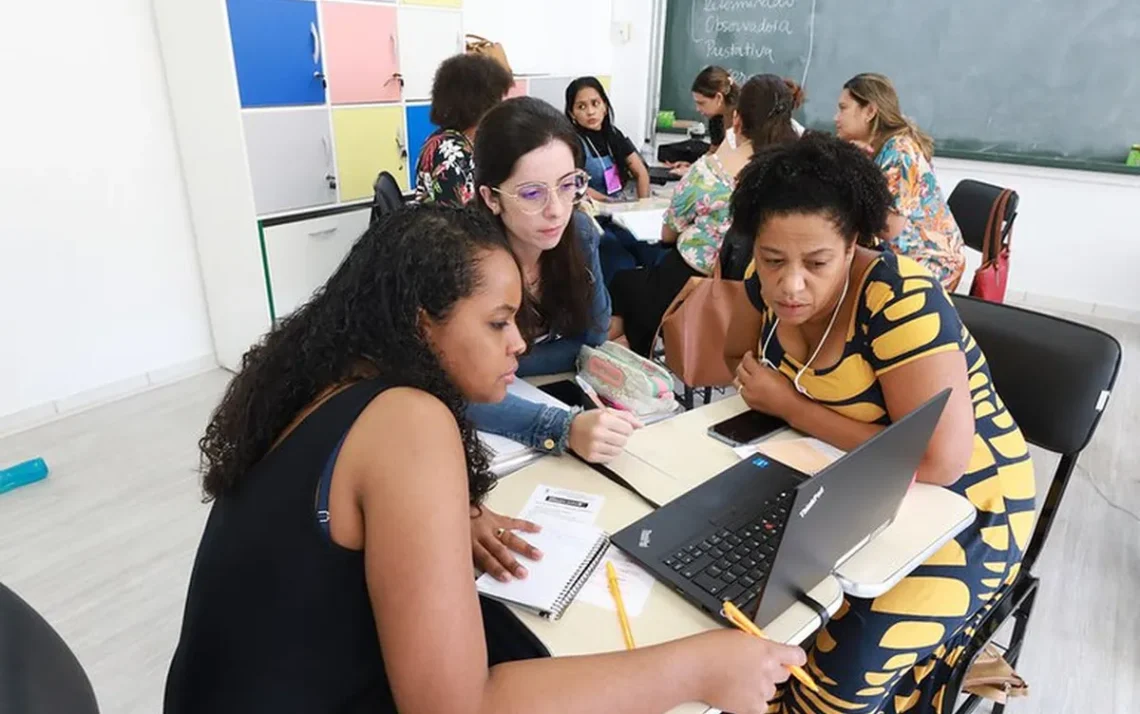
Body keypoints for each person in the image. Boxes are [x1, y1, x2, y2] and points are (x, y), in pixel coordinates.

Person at [164, 204, 806, 714]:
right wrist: (700, 668)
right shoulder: (409, 421)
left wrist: (437, 522)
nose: (519, 344)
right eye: (498, 323)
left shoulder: (323, 380)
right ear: (422, 327)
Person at [723, 133, 1035, 713]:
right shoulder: (764, 283)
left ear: (852, 247)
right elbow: (734, 357)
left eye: (816, 263)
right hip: (844, 477)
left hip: (968, 505)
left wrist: (791, 406)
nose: (790, 285)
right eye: (772, 260)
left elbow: (939, 461)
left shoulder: (899, 296)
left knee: (844, 667)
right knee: (743, 610)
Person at [467, 96, 642, 467]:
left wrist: (507, 365)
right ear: (491, 198)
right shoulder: (466, 260)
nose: (556, 210)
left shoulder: (577, 231)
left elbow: (594, 334)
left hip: (540, 394)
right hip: (491, 442)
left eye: (568, 185)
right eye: (532, 193)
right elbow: (453, 386)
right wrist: (561, 426)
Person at [609, 75, 804, 357]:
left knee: (624, 283)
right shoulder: (793, 174)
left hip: (694, 286)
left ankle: (627, 365)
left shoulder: (710, 172)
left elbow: (668, 233)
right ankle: (629, 356)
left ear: (736, 119)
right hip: (757, 296)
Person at [835, 73, 965, 289]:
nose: (836, 118)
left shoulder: (899, 152)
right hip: (898, 256)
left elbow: (887, 228)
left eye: (843, 108)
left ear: (869, 112)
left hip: (931, 263)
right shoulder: (881, 149)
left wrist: (852, 170)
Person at [414, 53, 514, 206]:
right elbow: (455, 223)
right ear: (479, 103)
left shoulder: (459, 139)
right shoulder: (450, 153)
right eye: (497, 99)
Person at [565, 76, 650, 202]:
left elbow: (641, 172)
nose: (590, 112)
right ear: (572, 113)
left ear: (604, 107)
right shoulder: (572, 143)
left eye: (595, 104)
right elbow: (576, 187)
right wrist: (610, 203)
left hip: (618, 206)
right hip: (591, 210)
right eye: (581, 107)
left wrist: (644, 207)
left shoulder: (614, 134)